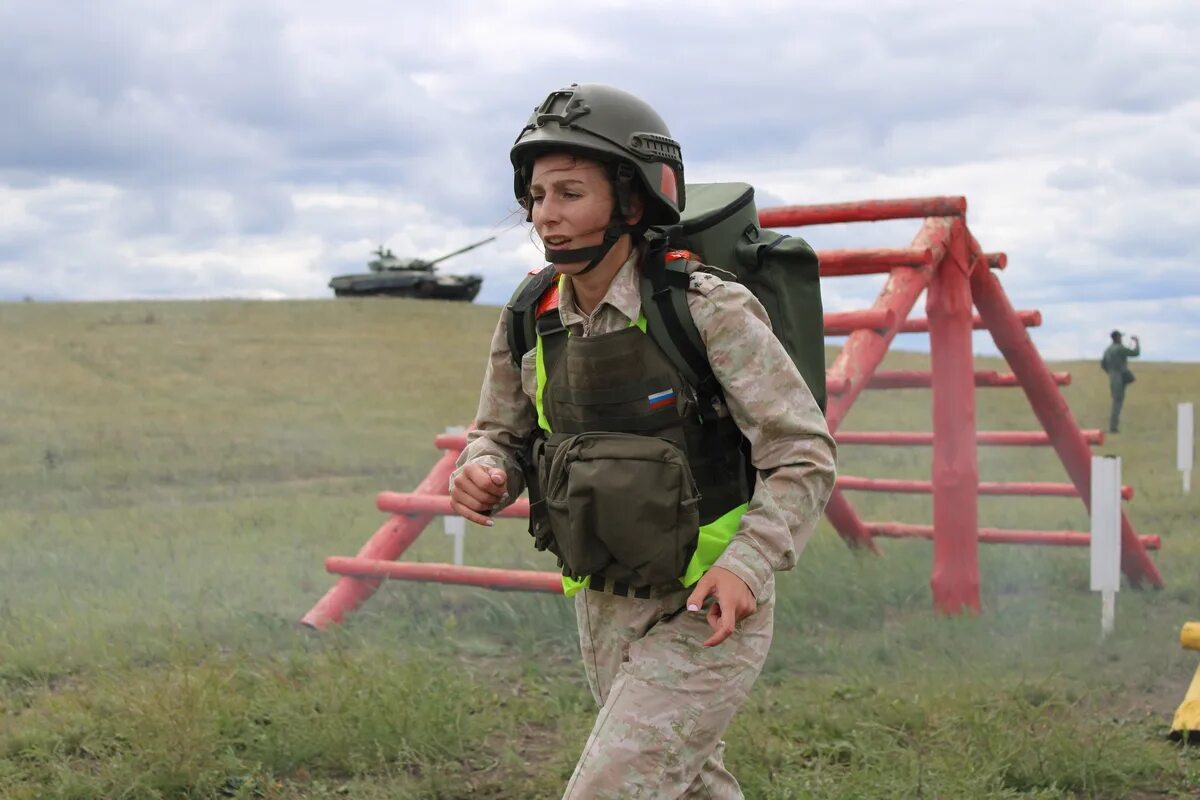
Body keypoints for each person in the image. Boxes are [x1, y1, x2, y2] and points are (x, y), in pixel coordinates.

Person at [449, 83, 836, 799]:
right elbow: (497, 434)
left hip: (709, 605)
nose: (546, 217)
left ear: (631, 201)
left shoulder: (705, 310)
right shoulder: (530, 317)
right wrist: (482, 469)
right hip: (602, 600)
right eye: (536, 196)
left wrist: (748, 566)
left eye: (569, 193)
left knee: (611, 788)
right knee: (687, 786)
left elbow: (802, 452)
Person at [1101, 329, 1140, 434]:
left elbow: (1103, 365)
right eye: (1120, 337)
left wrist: (1111, 372)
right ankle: (1113, 427)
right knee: (1117, 403)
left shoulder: (1107, 350)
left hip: (1113, 377)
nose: (1121, 339)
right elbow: (1135, 353)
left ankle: (1113, 426)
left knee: (1116, 401)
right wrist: (1137, 342)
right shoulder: (1119, 348)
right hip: (1119, 378)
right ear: (1117, 338)